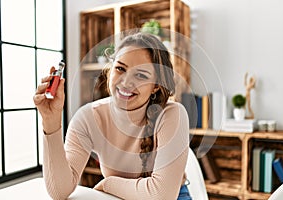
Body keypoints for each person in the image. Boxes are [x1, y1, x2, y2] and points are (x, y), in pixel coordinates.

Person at [34, 32, 191, 200]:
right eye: (120, 68)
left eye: (141, 75)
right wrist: (51, 122)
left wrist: (107, 184)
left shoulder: (172, 114)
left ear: (156, 86)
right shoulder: (88, 117)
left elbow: (162, 195)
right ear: (110, 70)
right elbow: (60, 192)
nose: (125, 82)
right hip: (118, 197)